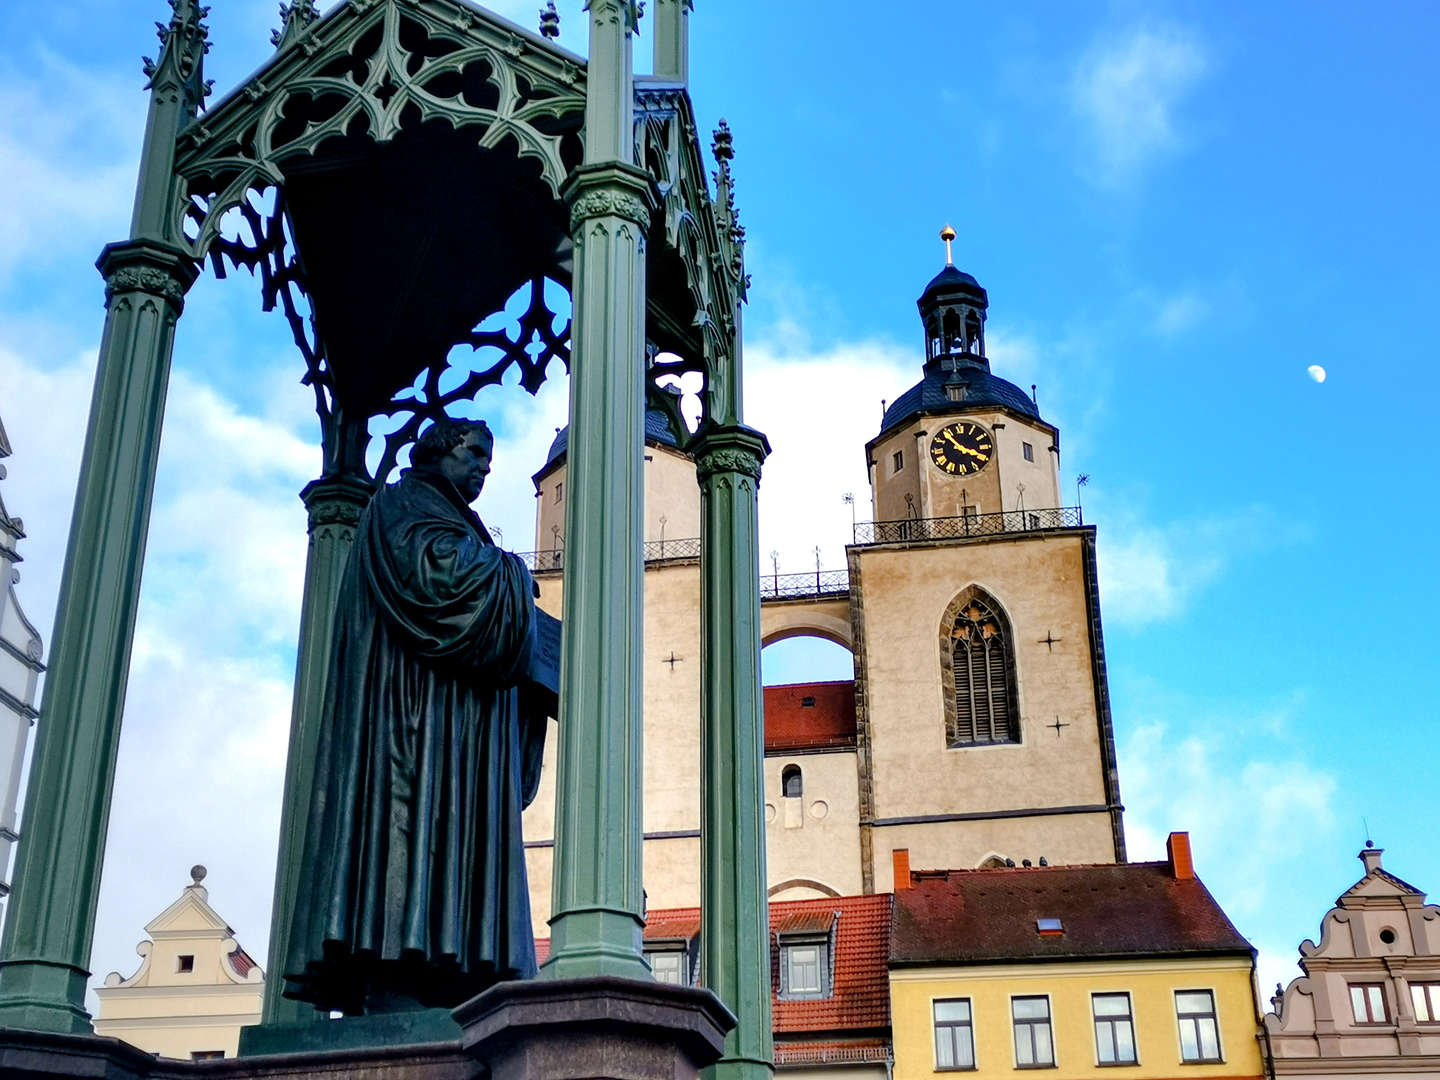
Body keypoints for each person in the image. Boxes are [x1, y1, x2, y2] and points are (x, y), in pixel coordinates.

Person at [285, 417, 552, 1014]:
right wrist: (514, 576)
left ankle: (447, 970)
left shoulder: (449, 515)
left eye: (489, 458)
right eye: (475, 453)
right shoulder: (402, 504)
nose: (484, 466)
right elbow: (434, 580)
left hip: (451, 728)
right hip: (411, 722)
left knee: (447, 840)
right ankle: (399, 972)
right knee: (408, 837)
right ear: (439, 451)